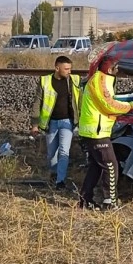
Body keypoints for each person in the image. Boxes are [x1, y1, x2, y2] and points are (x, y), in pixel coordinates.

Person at [78, 54, 133, 211]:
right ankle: (109, 202)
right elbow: (109, 105)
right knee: (111, 166)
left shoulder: (101, 79)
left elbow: (111, 98)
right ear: (110, 68)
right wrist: (132, 105)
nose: (117, 70)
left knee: (96, 166)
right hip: (96, 132)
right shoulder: (100, 80)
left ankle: (85, 199)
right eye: (115, 67)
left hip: (94, 131)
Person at [30, 55, 82, 189]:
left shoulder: (74, 80)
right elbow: (37, 103)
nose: (69, 71)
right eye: (66, 69)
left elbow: (82, 98)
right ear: (57, 68)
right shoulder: (45, 81)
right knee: (52, 154)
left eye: (70, 68)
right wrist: (35, 124)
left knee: (64, 151)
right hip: (51, 123)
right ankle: (53, 175)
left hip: (68, 123)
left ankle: (60, 181)